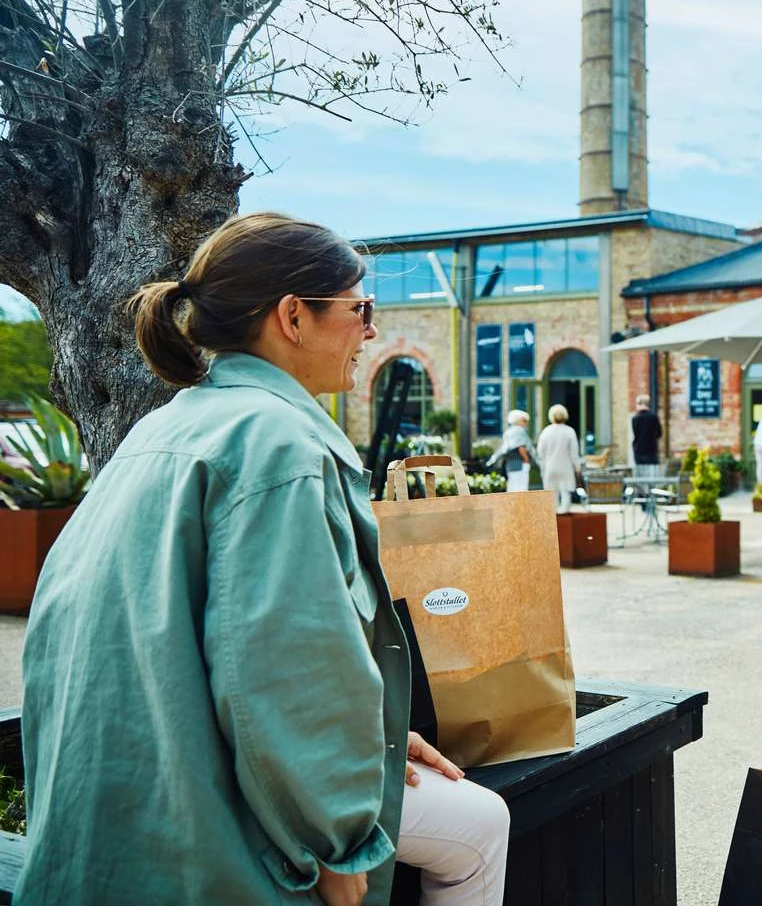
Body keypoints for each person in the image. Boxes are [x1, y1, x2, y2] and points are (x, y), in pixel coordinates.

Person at [18, 213, 509, 905]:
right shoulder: (281, 444)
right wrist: (334, 837)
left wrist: (377, 742)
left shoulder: (164, 427)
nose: (371, 329)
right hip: (213, 823)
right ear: (293, 318)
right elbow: (285, 669)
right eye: (359, 308)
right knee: (484, 821)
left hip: (109, 819)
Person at [537, 403, 583, 513]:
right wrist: (577, 468)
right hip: (565, 466)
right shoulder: (569, 431)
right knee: (565, 492)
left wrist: (542, 468)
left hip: (550, 467)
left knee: (552, 494)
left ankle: (554, 517)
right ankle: (564, 514)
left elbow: (540, 452)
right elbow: (574, 453)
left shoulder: (546, 431)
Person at [487, 409, 534, 492]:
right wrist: (526, 461)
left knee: (512, 489)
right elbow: (521, 447)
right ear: (518, 420)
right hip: (520, 464)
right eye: (524, 420)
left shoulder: (508, 431)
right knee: (521, 490)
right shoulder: (518, 430)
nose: (526, 423)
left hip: (511, 465)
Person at [631, 393, 662, 467]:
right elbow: (659, 433)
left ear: (639, 404)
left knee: (640, 474)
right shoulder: (654, 417)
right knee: (653, 475)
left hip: (638, 450)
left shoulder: (635, 419)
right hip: (651, 450)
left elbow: (636, 434)